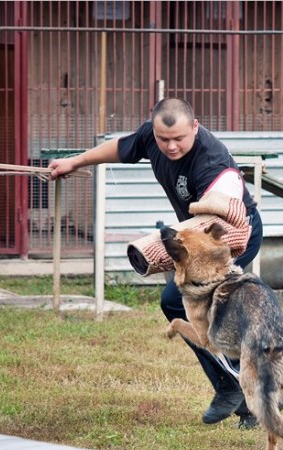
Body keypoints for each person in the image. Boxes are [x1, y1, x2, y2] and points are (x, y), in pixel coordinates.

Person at [49, 97, 263, 426]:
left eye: (179, 138)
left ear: (194, 127)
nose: (171, 146)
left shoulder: (211, 161)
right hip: (194, 238)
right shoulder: (152, 136)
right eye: (164, 140)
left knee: (179, 302)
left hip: (230, 235)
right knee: (194, 308)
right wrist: (75, 162)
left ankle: (234, 386)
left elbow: (224, 203)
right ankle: (253, 393)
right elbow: (122, 148)